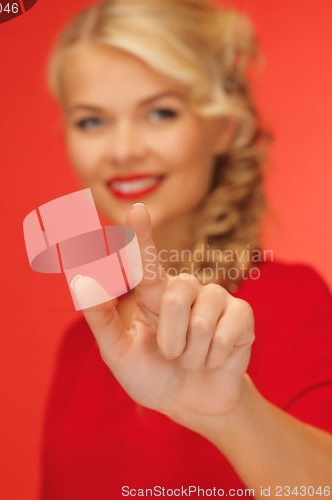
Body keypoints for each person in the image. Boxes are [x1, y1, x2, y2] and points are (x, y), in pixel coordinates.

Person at [41, 1, 332, 498]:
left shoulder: (293, 304)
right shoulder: (79, 345)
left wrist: (233, 413)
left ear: (223, 128)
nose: (123, 149)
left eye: (160, 112)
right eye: (92, 121)